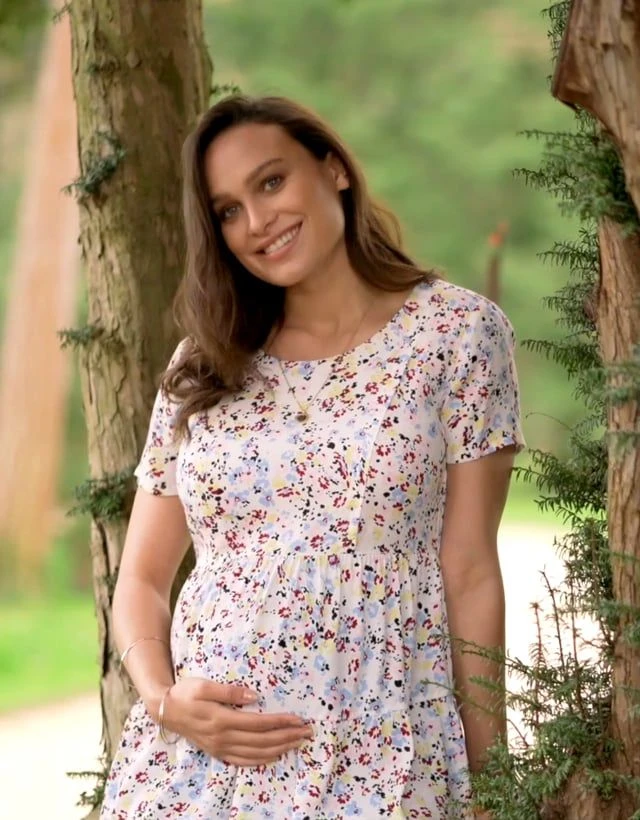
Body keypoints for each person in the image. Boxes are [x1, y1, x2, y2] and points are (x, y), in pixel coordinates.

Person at [100, 94, 526, 820]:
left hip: (382, 752)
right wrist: (165, 701)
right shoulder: (204, 363)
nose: (258, 222)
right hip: (198, 768)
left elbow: (470, 572)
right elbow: (140, 577)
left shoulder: (456, 334)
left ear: (334, 170)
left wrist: (493, 787)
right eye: (228, 211)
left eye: (271, 182)